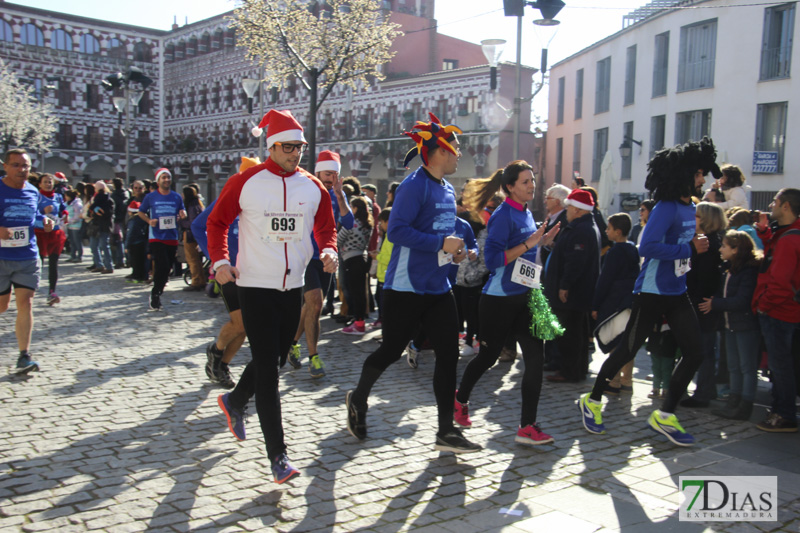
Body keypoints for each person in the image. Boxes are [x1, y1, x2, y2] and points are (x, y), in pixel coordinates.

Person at [207, 109, 338, 484]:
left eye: (300, 147)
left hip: (292, 286)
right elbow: (217, 222)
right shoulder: (246, 182)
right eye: (287, 147)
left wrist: (328, 250)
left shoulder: (313, 186)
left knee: (277, 358)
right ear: (271, 146)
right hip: (254, 286)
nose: (295, 153)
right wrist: (219, 261)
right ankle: (278, 456)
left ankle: (233, 401)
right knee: (268, 371)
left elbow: (326, 229)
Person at [345, 112, 481, 454]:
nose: (460, 155)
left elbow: (443, 235)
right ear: (439, 151)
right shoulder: (413, 185)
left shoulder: (448, 189)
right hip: (404, 288)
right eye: (456, 149)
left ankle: (445, 431)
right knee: (391, 349)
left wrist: (456, 252)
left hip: (438, 289)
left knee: (449, 356)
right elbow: (397, 230)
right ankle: (358, 398)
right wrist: (440, 245)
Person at [579, 136, 721, 447]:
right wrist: (689, 249)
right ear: (685, 175)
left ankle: (665, 415)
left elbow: (682, 249)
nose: (703, 179)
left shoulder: (689, 207)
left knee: (696, 351)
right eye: (699, 174)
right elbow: (649, 246)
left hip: (677, 290)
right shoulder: (666, 207)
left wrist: (695, 249)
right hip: (653, 291)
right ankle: (592, 400)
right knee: (628, 350)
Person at [454, 160, 561, 445]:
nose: (532, 185)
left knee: (535, 361)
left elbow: (526, 252)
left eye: (533, 180)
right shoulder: (503, 215)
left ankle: (527, 427)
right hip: (498, 300)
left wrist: (542, 241)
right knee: (487, 357)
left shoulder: (526, 212)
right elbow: (493, 259)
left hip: (525, 297)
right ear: (510, 187)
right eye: (525, 181)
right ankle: (459, 399)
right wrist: (530, 243)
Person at [288, 150, 353, 377]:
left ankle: (293, 343)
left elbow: (349, 222)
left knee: (310, 307)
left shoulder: (337, 196)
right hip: (306, 257)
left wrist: (340, 196)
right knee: (315, 304)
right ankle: (314, 358)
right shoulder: (306, 191)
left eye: (335, 175)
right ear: (317, 172)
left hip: (327, 259)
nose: (331, 179)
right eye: (327, 174)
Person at [0, 149, 54, 373]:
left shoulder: (32, 191)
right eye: (16, 165)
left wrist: (45, 221)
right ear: (5, 166)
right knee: (2, 306)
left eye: (26, 166)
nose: (22, 170)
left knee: (26, 303)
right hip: (1, 258)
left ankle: (24, 355)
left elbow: (34, 217)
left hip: (27, 257)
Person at [751, 188, 800, 432]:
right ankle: (784, 411)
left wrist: (764, 305)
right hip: (788, 309)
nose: (771, 205)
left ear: (786, 207)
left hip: (779, 311)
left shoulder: (791, 238)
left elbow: (780, 280)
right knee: (785, 364)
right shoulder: (790, 234)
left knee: (781, 366)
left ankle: (784, 414)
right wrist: (764, 231)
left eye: (775, 202)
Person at [698, 230, 761, 420]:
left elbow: (742, 300)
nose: (720, 248)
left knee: (747, 367)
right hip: (730, 324)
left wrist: (714, 303)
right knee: (734, 366)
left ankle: (745, 404)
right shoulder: (728, 268)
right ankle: (733, 401)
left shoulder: (748, 270)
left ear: (735, 249)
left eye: (725, 246)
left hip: (745, 325)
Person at [543, 188, 600, 383]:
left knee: (570, 335)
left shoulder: (581, 229)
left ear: (577, 209)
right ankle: (575, 369)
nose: (567, 211)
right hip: (577, 292)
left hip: (573, 294)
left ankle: (570, 371)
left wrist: (564, 285)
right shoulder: (581, 226)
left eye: (569, 207)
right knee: (577, 334)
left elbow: (575, 261)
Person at [681, 201, 726, 408]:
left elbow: (706, 279)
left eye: (697, 216)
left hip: (701, 305)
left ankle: (703, 394)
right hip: (699, 303)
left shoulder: (708, 244)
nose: (693, 218)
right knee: (703, 350)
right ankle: (706, 390)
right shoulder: (705, 240)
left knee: (704, 351)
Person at [591, 213, 640, 395]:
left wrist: (596, 305)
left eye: (609, 228)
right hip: (629, 300)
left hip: (614, 302)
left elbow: (605, 280)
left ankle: (614, 381)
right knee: (626, 341)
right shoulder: (633, 249)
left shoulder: (614, 252)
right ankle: (627, 380)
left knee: (614, 341)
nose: (606, 231)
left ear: (617, 232)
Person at [138, 168, 186, 311]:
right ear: (158, 181)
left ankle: (158, 290)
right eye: (163, 178)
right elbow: (141, 212)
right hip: (156, 237)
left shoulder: (176, 197)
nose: (166, 180)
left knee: (168, 267)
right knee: (162, 265)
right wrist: (149, 221)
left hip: (171, 236)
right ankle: (155, 294)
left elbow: (181, 212)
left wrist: (182, 215)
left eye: (168, 177)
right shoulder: (151, 197)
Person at [339, 196, 374, 335]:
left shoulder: (351, 223)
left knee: (354, 292)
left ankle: (358, 323)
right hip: (362, 258)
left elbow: (339, 239)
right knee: (360, 292)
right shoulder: (367, 223)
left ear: (355, 208)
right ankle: (359, 321)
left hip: (350, 259)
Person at [34, 173, 67, 305]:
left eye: (50, 182)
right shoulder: (37, 197)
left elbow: (63, 209)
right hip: (40, 233)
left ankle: (52, 292)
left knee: (53, 264)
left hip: (55, 234)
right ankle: (29, 289)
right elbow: (32, 213)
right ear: (40, 184)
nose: (48, 184)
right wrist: (43, 211)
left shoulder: (58, 197)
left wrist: (65, 215)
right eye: (46, 182)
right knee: (38, 264)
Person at [180, 185, 207, 291]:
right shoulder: (198, 204)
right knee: (197, 259)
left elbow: (192, 222)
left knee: (192, 259)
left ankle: (196, 281)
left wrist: (181, 221)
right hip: (197, 234)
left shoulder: (191, 206)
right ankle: (201, 279)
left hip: (190, 234)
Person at [88, 181, 115, 274]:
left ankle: (108, 266)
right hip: (97, 225)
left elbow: (108, 213)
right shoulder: (95, 199)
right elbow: (90, 211)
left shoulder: (108, 200)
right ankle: (99, 265)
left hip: (103, 225)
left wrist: (97, 211)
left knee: (103, 246)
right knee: (94, 246)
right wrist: (94, 211)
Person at [124, 181, 149, 283]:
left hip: (141, 230)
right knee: (133, 255)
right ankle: (135, 272)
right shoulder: (131, 199)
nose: (138, 190)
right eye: (136, 188)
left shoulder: (146, 199)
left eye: (140, 188)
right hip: (131, 227)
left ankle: (141, 274)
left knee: (140, 255)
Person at [110, 177, 130, 269]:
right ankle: (127, 260)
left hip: (117, 220)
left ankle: (119, 260)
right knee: (124, 240)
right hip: (125, 218)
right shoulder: (126, 193)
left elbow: (114, 208)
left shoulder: (114, 195)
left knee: (117, 240)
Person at [64, 189, 83, 263]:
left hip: (76, 225)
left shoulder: (77, 204)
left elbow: (77, 216)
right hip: (69, 225)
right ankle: (72, 255)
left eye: (66, 196)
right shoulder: (67, 203)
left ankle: (79, 256)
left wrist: (69, 220)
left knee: (77, 241)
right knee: (71, 241)